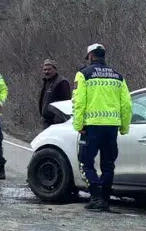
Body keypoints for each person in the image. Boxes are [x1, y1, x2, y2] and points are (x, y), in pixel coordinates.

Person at [72, 43, 132, 212]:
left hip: (91, 126)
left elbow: (78, 102)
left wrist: (78, 125)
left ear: (91, 56)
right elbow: (127, 104)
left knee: (86, 162)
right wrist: (124, 127)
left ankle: (96, 196)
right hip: (111, 127)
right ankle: (105, 199)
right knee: (108, 164)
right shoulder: (118, 76)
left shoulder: (83, 74)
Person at [38, 59, 72, 126]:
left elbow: (66, 102)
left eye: (49, 69)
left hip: (57, 123)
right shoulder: (46, 82)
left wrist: (57, 119)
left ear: (55, 69)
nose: (46, 72)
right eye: (45, 70)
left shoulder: (61, 82)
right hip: (46, 121)